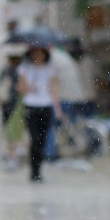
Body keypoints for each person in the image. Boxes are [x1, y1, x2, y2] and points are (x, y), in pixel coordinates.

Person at [17, 45, 63, 182]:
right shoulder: (25, 68)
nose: (38, 56)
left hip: (46, 106)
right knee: (35, 139)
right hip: (31, 106)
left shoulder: (49, 68)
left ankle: (38, 169)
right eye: (35, 53)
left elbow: (53, 88)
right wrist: (26, 87)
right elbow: (19, 87)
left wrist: (57, 107)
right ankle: (34, 170)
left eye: (40, 53)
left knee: (42, 140)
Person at [0, 48, 25, 170]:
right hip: (16, 105)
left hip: (6, 105)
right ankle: (15, 154)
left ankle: (11, 157)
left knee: (9, 134)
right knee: (16, 132)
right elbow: (21, 89)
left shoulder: (5, 71)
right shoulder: (21, 72)